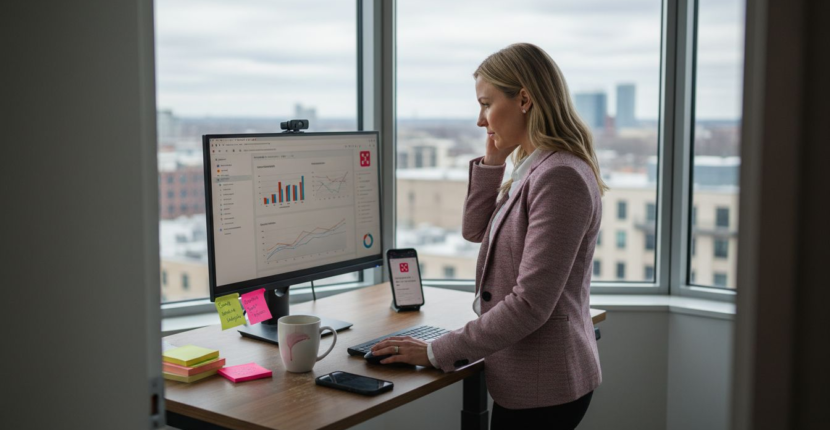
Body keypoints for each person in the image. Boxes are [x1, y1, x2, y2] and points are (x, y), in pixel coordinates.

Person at [371, 43, 607, 430]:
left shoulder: (558, 176)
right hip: (526, 374)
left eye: (486, 104)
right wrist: (493, 164)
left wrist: (434, 351)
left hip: (544, 385)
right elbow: (475, 230)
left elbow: (530, 304)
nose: (481, 120)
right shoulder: (536, 166)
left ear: (525, 99)